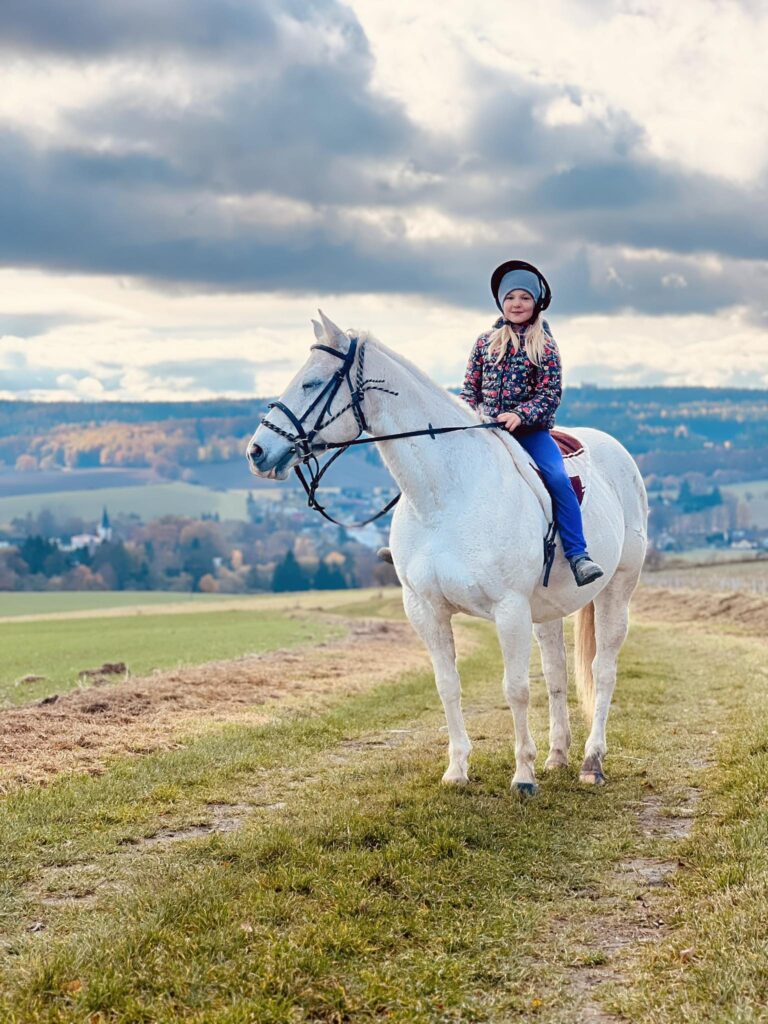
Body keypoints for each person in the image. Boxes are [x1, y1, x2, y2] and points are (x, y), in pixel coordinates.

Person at [459, 259, 604, 586]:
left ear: (536, 303)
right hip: (486, 431)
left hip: (530, 434)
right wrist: (464, 416)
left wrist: (520, 414)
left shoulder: (545, 346)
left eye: (524, 297)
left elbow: (550, 394)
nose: (517, 304)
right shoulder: (484, 343)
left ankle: (578, 554)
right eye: (510, 298)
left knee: (556, 477)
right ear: (501, 303)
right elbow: (470, 388)